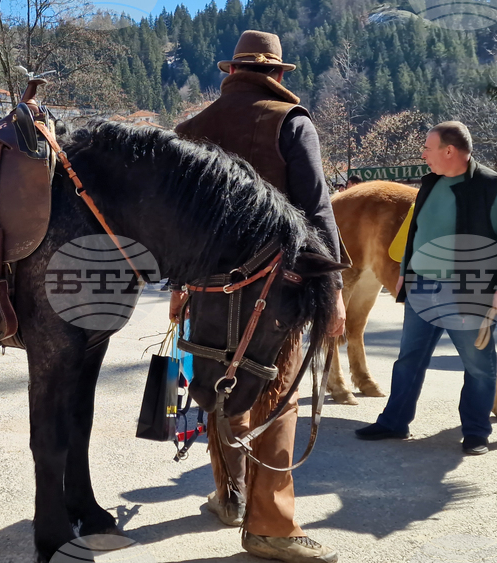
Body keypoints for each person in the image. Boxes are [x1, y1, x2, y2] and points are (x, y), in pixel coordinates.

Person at [171, 30, 345, 563]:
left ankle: (229, 497)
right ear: (279, 74)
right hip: (275, 290)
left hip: (206, 287)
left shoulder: (190, 131)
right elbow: (316, 210)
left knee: (218, 387)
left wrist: (178, 287)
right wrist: (333, 289)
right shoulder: (291, 122)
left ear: (230, 74)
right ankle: (270, 527)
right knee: (278, 395)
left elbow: (176, 223)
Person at [355, 121, 497, 455]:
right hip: (422, 288)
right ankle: (394, 422)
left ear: (449, 150)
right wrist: (405, 270)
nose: (423, 154)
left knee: (478, 364)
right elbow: (415, 230)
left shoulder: (494, 188)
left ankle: (476, 432)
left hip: (469, 292)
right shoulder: (431, 184)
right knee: (408, 359)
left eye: (428, 148)